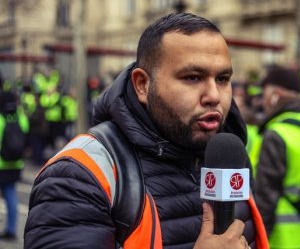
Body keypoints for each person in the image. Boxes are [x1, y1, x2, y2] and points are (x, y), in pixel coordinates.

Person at [24, 13, 268, 249]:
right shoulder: (79, 175)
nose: (214, 96)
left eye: (223, 79)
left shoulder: (229, 154)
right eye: (193, 77)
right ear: (143, 85)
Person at [253, 65, 300, 249]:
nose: (263, 100)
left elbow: (265, 196)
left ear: (275, 93)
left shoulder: (277, 133)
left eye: (264, 92)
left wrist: (259, 239)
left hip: (282, 239)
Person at [0, 91, 29, 240]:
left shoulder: (1, 120)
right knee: (11, 195)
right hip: (16, 164)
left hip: (1, 164)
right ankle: (11, 229)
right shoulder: (22, 118)